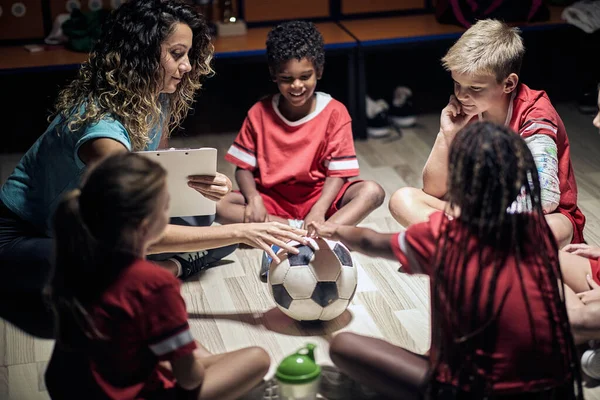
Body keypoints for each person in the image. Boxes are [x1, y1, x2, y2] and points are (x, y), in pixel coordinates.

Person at [0, 0, 306, 338]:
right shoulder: (102, 132)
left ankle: (165, 268)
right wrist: (242, 231)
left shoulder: (153, 99)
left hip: (91, 225)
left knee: (208, 224)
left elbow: (153, 171)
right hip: (25, 236)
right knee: (114, 261)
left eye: (189, 54)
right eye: (177, 54)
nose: (188, 66)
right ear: (140, 56)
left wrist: (200, 185)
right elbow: (130, 230)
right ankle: (141, 274)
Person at [311, 122, 582, 399]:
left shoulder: (442, 237)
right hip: (551, 390)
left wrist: (334, 230)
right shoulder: (537, 232)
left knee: (343, 346)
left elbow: (369, 242)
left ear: (459, 183)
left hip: (470, 392)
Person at [44, 152, 271, 400]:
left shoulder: (77, 258)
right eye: (167, 206)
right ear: (146, 225)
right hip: (123, 394)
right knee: (257, 358)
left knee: (175, 336)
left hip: (72, 389)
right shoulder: (153, 283)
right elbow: (190, 379)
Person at [388, 19, 585, 248]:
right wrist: (447, 134)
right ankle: (476, 250)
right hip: (480, 215)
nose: (461, 95)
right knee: (402, 199)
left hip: (531, 216)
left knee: (556, 227)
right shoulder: (470, 108)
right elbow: (434, 189)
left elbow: (544, 198)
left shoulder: (536, 114)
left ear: (509, 84)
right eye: (457, 84)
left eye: (475, 88)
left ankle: (466, 249)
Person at [216, 20, 385, 237]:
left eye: (305, 77)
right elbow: (243, 168)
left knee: (372, 191)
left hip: (320, 197)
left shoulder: (335, 112)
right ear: (274, 74)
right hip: (272, 200)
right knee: (217, 204)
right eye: (287, 79)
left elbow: (338, 173)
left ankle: (308, 229)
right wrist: (254, 199)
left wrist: (319, 209)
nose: (297, 86)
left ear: (319, 71)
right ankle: (306, 232)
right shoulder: (259, 112)